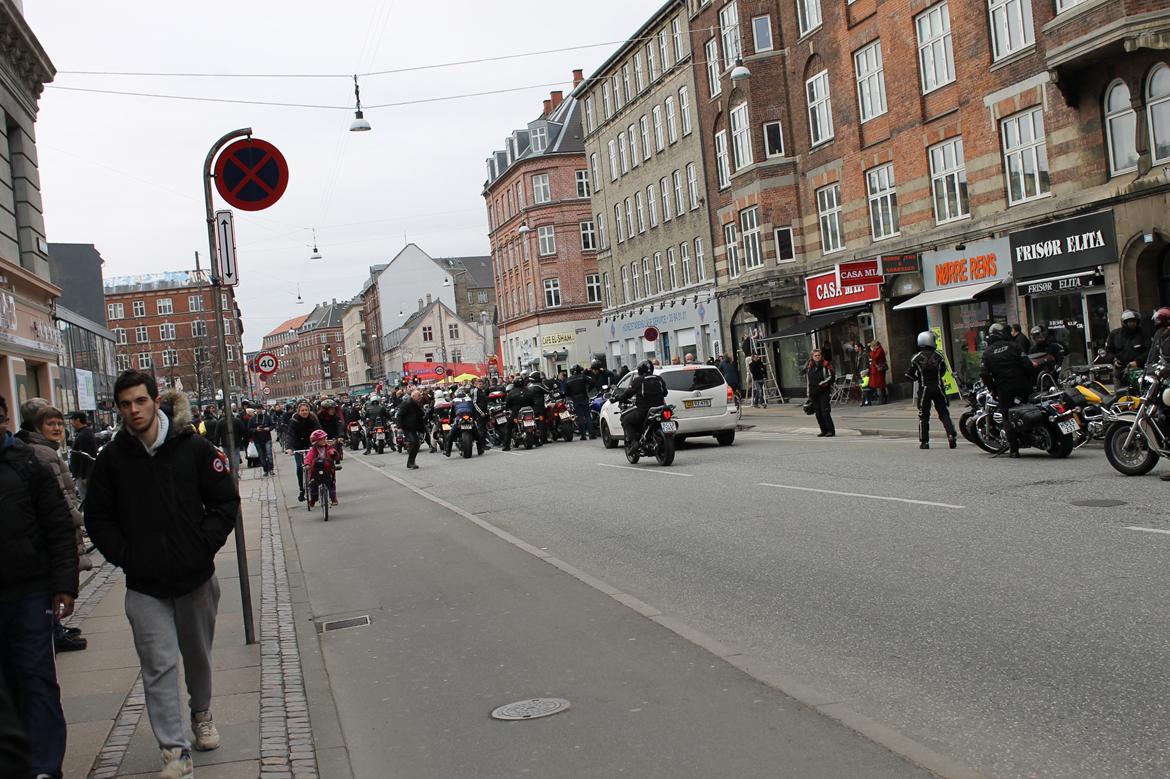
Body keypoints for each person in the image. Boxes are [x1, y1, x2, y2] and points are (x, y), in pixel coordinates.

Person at [84, 372, 239, 779]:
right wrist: (126, 556)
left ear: (156, 401)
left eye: (140, 401)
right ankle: (174, 751)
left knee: (198, 656)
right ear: (118, 409)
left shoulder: (193, 447)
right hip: (145, 585)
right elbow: (97, 517)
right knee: (158, 665)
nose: (133, 410)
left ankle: (201, 713)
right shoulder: (113, 459)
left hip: (195, 578)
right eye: (125, 404)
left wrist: (202, 545)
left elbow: (225, 501)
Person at [0, 393, 78, 779]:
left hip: (29, 591)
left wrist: (64, 584)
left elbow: (58, 525)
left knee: (35, 678)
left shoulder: (27, 463)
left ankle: (45, 767)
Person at [20, 404, 92, 652]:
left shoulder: (45, 450)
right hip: (60, 523)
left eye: (60, 424)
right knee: (56, 582)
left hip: (60, 521)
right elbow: (59, 496)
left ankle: (56, 627)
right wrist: (76, 518)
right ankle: (55, 629)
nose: (57, 428)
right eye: (51, 424)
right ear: (38, 427)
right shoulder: (44, 453)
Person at [981, 322, 1035, 458]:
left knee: (1007, 416)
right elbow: (1028, 364)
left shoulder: (988, 352)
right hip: (1023, 385)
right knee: (1033, 407)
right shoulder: (1014, 346)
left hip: (1004, 388)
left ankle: (1014, 450)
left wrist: (992, 389)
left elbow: (984, 374)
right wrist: (1030, 381)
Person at [906, 331, 957, 450]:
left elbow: (908, 375)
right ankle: (951, 436)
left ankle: (924, 442)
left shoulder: (916, 358)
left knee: (923, 416)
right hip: (938, 387)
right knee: (944, 413)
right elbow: (943, 371)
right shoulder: (939, 356)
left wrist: (918, 379)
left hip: (924, 389)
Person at [616, 361, 668, 454]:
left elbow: (628, 394)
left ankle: (634, 442)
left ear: (640, 370)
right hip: (659, 409)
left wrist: (620, 398)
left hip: (644, 411)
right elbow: (665, 393)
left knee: (626, 419)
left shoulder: (638, 380)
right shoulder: (659, 379)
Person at [284, 401, 321, 502]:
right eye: (302, 410)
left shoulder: (313, 419)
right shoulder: (294, 421)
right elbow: (290, 434)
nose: (304, 412)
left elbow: (318, 431)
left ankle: (317, 483)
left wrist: (321, 442)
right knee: (300, 467)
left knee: (316, 464)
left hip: (311, 445)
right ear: (298, 411)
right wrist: (289, 447)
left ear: (309, 410)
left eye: (306, 410)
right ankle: (302, 489)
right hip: (298, 446)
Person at [1104, 309, 1148, 393]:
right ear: (1124, 322)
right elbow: (1108, 351)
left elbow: (1149, 351)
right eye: (1130, 321)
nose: (1133, 323)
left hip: (1139, 372)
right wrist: (1114, 360)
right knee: (1120, 395)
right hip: (1120, 372)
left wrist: (1137, 361)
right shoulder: (1115, 334)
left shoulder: (1143, 334)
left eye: (1135, 321)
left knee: (1139, 395)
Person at [303, 429, 341, 508]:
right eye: (321, 439)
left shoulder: (329, 447)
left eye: (324, 438)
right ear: (316, 442)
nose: (324, 440)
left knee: (331, 482)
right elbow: (309, 457)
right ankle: (313, 499)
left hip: (327, 469)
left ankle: (333, 498)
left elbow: (336, 456)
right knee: (313, 484)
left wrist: (333, 453)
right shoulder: (313, 450)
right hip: (316, 470)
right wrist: (307, 464)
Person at [442, 389, 486, 456]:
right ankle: (480, 449)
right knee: (477, 434)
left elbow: (452, 413)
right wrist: (474, 418)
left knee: (450, 435)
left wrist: (450, 421)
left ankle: (447, 451)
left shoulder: (454, 400)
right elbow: (474, 410)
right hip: (469, 417)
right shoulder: (469, 399)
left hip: (460, 417)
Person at [806, 349, 836, 437]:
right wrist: (808, 392)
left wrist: (822, 384)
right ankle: (823, 430)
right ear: (812, 357)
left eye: (819, 355)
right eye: (815, 355)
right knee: (818, 413)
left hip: (823, 392)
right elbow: (808, 380)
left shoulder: (825, 365)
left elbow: (832, 376)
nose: (817, 357)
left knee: (825, 411)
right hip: (814, 392)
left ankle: (830, 430)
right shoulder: (810, 366)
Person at [68, 411, 97, 497]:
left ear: (77, 420)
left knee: (86, 498)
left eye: (72, 420)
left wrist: (85, 476)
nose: (72, 423)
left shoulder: (84, 435)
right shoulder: (83, 433)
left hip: (83, 475)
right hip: (81, 474)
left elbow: (86, 456)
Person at [396, 390, 426, 469]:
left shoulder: (416, 404)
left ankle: (411, 462)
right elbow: (399, 415)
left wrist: (422, 427)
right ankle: (410, 462)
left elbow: (419, 415)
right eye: (418, 395)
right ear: (413, 396)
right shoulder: (406, 403)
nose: (420, 397)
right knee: (414, 442)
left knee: (417, 443)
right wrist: (399, 427)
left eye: (420, 395)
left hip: (414, 427)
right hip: (407, 427)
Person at [564, 365, 593, 440]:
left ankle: (583, 435)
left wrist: (571, 396)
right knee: (587, 416)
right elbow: (592, 382)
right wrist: (589, 389)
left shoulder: (568, 380)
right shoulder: (583, 377)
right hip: (584, 398)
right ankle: (591, 434)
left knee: (580, 417)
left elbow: (566, 393)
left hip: (575, 400)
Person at [502, 375, 530, 451]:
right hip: (529, 410)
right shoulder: (528, 390)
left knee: (508, 427)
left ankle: (506, 446)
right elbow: (533, 400)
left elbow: (508, 404)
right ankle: (537, 441)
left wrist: (509, 407)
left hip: (517, 412)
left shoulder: (511, 393)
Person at [247, 405, 275, 476]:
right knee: (261, 456)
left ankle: (271, 469)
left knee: (269, 454)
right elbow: (249, 429)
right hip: (257, 440)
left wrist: (269, 428)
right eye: (257, 409)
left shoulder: (267, 417)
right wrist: (256, 429)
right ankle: (265, 470)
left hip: (267, 438)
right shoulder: (252, 419)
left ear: (262, 409)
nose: (259, 410)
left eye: (260, 409)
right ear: (255, 410)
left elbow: (272, 425)